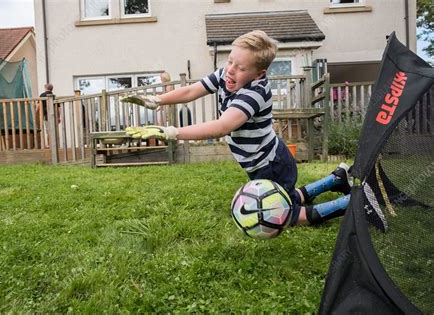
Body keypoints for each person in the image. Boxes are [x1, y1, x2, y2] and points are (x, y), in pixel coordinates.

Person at [125, 30, 352, 226]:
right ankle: (336, 180)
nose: (231, 70)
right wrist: (157, 100)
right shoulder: (227, 74)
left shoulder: (255, 92)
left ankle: (349, 204)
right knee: (286, 198)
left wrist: (173, 132)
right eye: (230, 61)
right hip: (260, 163)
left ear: (258, 73)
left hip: (271, 165)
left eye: (240, 67)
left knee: (279, 216)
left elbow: (223, 126)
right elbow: (192, 90)